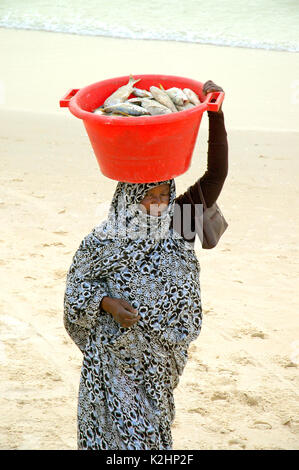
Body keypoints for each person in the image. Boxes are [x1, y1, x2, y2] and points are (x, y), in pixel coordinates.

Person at [63, 80, 228, 450]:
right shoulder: (103, 239)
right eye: (147, 196)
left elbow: (216, 174)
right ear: (128, 197)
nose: (157, 203)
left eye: (163, 194)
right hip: (113, 358)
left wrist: (216, 115)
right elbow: (76, 291)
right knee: (118, 436)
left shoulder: (180, 219)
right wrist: (108, 304)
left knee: (152, 434)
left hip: (161, 360)